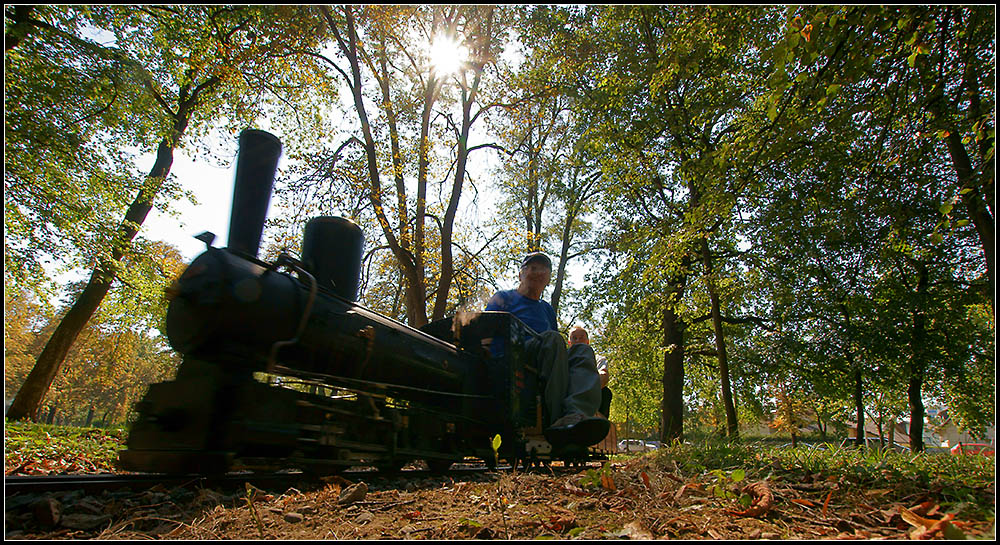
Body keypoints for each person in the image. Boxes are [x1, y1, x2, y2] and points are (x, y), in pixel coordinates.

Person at [485, 252, 609, 447]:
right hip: (514, 355)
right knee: (553, 339)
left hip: (546, 355)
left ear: (549, 279)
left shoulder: (547, 310)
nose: (538, 272)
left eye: (543, 269)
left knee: (582, 351)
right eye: (532, 268)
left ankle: (576, 414)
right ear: (520, 274)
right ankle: (558, 422)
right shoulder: (503, 298)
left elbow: (556, 348)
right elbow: (486, 332)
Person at [568, 326, 612, 420]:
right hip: (568, 390)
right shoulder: (563, 358)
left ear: (587, 342)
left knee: (606, 392)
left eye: (581, 338)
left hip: (591, 393)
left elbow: (604, 375)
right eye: (574, 338)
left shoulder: (598, 358)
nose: (578, 340)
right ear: (569, 343)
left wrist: (586, 385)